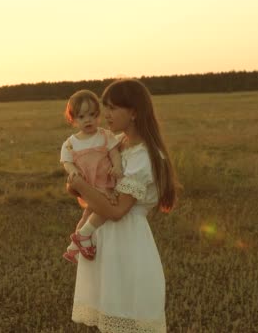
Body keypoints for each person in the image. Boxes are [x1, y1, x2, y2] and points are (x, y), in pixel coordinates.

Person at [67, 79, 177, 332]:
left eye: (113, 108)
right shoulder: (114, 143)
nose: (105, 114)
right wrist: (75, 184)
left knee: (127, 315)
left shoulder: (145, 156)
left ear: (134, 112)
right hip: (104, 239)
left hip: (127, 244)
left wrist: (81, 186)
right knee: (108, 315)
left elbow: (117, 211)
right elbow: (92, 193)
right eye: (104, 107)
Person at [60, 90, 123, 263]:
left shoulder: (105, 136)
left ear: (98, 115)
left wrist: (117, 166)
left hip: (105, 182)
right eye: (81, 116)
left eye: (92, 115)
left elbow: (114, 153)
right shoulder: (71, 143)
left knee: (93, 212)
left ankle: (75, 245)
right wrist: (72, 170)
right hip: (88, 185)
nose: (88, 120)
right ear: (73, 119)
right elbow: (66, 161)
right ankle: (81, 239)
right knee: (92, 212)